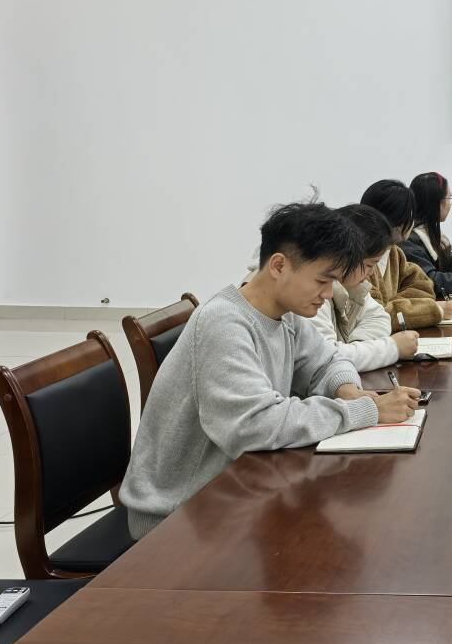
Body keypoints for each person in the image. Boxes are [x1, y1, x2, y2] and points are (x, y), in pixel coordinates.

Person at [120, 202, 420, 538]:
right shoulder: (224, 323)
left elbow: (327, 362)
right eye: (323, 280)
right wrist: (365, 410)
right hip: (178, 514)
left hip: (233, 488)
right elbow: (255, 425)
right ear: (278, 265)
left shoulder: (285, 313)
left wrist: (347, 390)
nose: (327, 294)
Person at [308, 203, 420, 371]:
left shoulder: (352, 287)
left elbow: (379, 317)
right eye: (369, 265)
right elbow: (327, 359)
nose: (371, 273)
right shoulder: (312, 293)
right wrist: (392, 348)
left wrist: (357, 350)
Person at [359, 179, 452, 328]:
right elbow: (377, 317)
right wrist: (433, 310)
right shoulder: (361, 260)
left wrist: (393, 305)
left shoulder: (394, 252)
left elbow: (424, 286)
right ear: (399, 220)